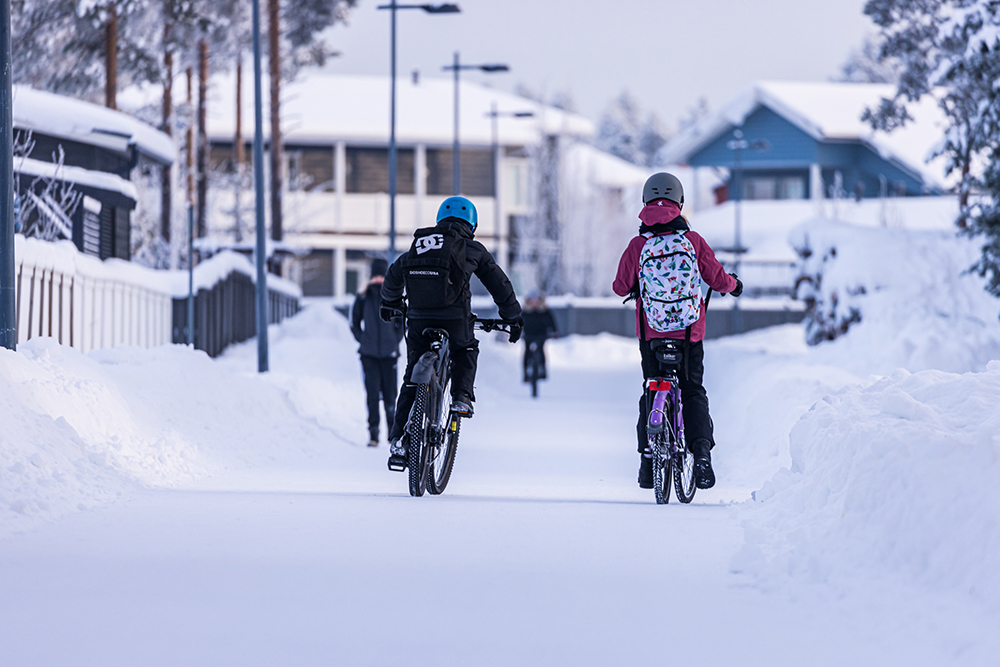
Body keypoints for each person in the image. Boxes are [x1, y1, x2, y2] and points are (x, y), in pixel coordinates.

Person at [612, 172, 743, 490]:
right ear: (680, 204)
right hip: (689, 333)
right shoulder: (693, 241)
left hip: (652, 333)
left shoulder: (638, 245)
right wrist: (734, 285)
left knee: (651, 388)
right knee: (692, 390)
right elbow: (716, 277)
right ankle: (701, 456)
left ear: (645, 203)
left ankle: (647, 462)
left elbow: (619, 287)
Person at [380, 196, 523, 467]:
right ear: (472, 224)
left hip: (418, 319)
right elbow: (499, 285)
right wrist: (512, 317)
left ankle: (398, 441)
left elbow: (394, 273)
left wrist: (389, 303)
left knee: (412, 376)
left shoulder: (420, 244)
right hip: (455, 318)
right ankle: (461, 397)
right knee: (466, 348)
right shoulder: (472, 248)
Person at [351, 257, 404, 447]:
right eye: (376, 275)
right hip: (369, 356)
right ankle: (373, 435)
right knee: (372, 396)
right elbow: (354, 322)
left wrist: (394, 340)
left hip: (389, 356)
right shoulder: (363, 297)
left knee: (391, 397)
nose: (379, 279)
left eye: (382, 275)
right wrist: (362, 339)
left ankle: (393, 434)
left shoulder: (393, 296)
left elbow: (401, 322)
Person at [521, 290, 558, 382]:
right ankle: (525, 372)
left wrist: (554, 332)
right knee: (527, 351)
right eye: (532, 301)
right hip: (528, 335)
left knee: (541, 350)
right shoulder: (525, 312)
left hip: (541, 335)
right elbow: (519, 322)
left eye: (536, 301)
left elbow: (551, 322)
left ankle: (543, 370)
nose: (534, 303)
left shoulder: (545, 311)